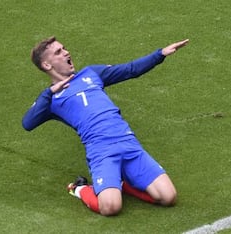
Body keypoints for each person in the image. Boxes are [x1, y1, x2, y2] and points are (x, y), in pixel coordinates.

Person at [22, 36, 189, 216]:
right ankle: (79, 188)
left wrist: (160, 54)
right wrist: (49, 92)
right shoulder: (51, 99)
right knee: (110, 208)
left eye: (64, 48)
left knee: (168, 197)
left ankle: (123, 184)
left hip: (128, 143)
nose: (66, 52)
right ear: (47, 65)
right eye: (58, 52)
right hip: (102, 152)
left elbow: (130, 70)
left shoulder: (91, 74)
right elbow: (28, 123)